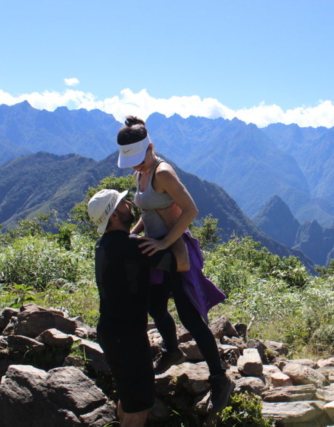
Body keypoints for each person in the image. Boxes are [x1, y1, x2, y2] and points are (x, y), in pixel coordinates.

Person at [117, 116, 233, 415]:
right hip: (158, 254)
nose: (135, 166)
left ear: (150, 147)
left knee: (191, 319)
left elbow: (191, 210)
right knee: (155, 307)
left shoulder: (163, 172)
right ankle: (172, 351)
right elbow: (147, 210)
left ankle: (220, 378)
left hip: (176, 253)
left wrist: (164, 242)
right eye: (130, 161)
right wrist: (133, 233)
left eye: (139, 159)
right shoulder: (140, 174)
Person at [88, 189, 183, 427]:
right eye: (121, 203)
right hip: (127, 337)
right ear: (113, 217)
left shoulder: (103, 244)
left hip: (111, 332)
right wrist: (174, 227)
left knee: (127, 395)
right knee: (138, 408)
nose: (128, 203)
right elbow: (182, 264)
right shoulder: (134, 247)